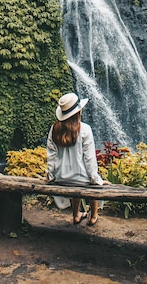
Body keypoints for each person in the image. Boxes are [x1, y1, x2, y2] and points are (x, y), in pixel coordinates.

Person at [46, 92, 103, 226]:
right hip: (81, 179)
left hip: (62, 178)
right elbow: (89, 159)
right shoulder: (85, 129)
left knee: (76, 178)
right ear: (78, 111)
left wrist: (50, 176)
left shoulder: (54, 129)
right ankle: (93, 215)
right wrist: (96, 179)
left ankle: (76, 214)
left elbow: (51, 155)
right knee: (89, 181)